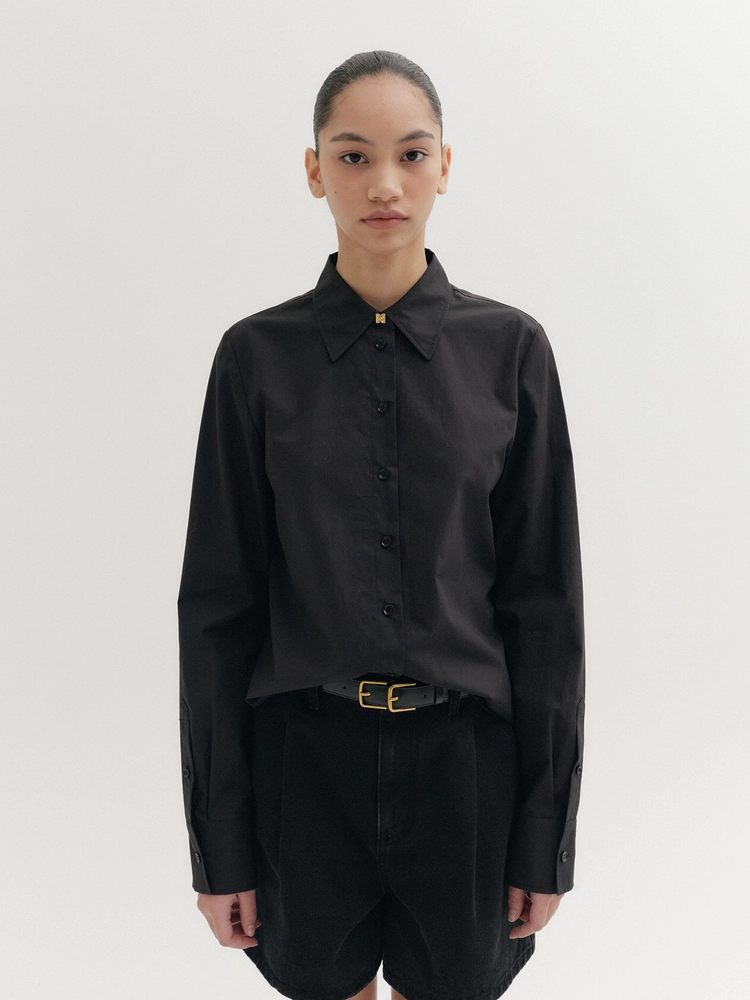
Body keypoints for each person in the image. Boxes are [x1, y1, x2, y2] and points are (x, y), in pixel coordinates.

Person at [178, 50, 585, 1000]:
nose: (385, 184)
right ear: (314, 170)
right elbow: (219, 611)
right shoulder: (254, 359)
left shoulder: (511, 352)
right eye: (354, 156)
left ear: (446, 165)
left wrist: (546, 834)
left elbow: (546, 608)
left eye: (412, 153)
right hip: (303, 764)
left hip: (468, 766)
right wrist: (220, 843)